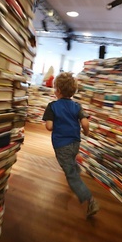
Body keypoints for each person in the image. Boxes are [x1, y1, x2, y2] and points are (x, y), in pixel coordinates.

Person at [42, 72, 99, 218]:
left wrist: (55, 124)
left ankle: (90, 200)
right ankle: (75, 169)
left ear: (58, 91)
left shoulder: (52, 106)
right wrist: (86, 133)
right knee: (71, 160)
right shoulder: (77, 106)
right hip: (75, 143)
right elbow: (85, 122)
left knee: (70, 175)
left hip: (61, 145)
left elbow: (49, 127)